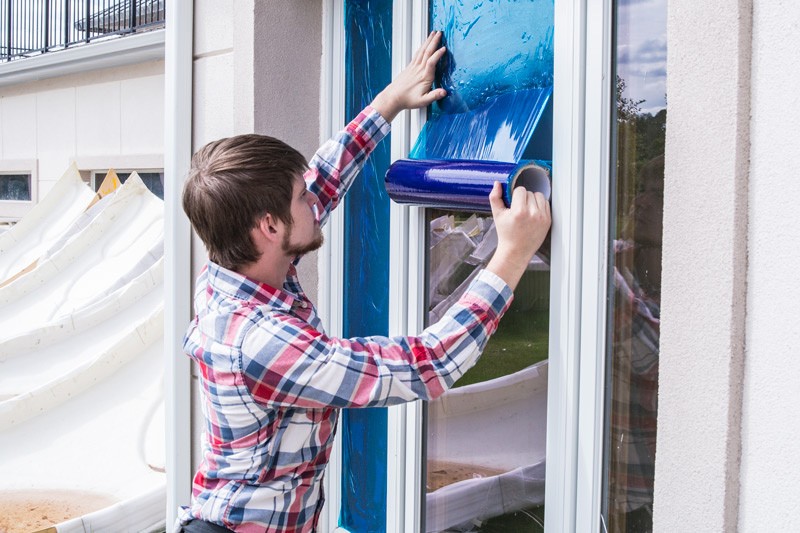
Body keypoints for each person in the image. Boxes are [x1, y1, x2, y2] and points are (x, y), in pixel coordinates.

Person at [175, 31, 551, 533]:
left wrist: (389, 101)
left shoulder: (234, 268)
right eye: (300, 198)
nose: (316, 200)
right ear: (267, 227)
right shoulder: (261, 341)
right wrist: (511, 254)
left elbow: (324, 180)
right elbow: (428, 364)